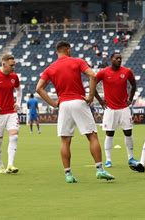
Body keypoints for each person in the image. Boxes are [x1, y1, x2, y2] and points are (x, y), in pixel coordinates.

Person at [35, 41, 114, 183]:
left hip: (63, 105)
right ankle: (100, 169)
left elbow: (39, 88)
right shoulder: (77, 61)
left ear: (57, 52)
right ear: (68, 50)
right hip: (79, 102)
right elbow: (93, 75)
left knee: (65, 140)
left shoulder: (50, 68)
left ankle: (68, 174)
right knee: (92, 136)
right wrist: (90, 96)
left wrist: (53, 103)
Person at [94, 52, 139, 169]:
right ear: (111, 59)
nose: (119, 60)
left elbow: (134, 85)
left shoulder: (127, 71)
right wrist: (100, 100)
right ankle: (108, 160)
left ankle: (131, 158)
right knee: (109, 133)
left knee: (128, 132)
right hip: (110, 109)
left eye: (120, 58)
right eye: (116, 58)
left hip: (124, 108)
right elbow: (92, 84)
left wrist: (130, 99)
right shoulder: (104, 72)